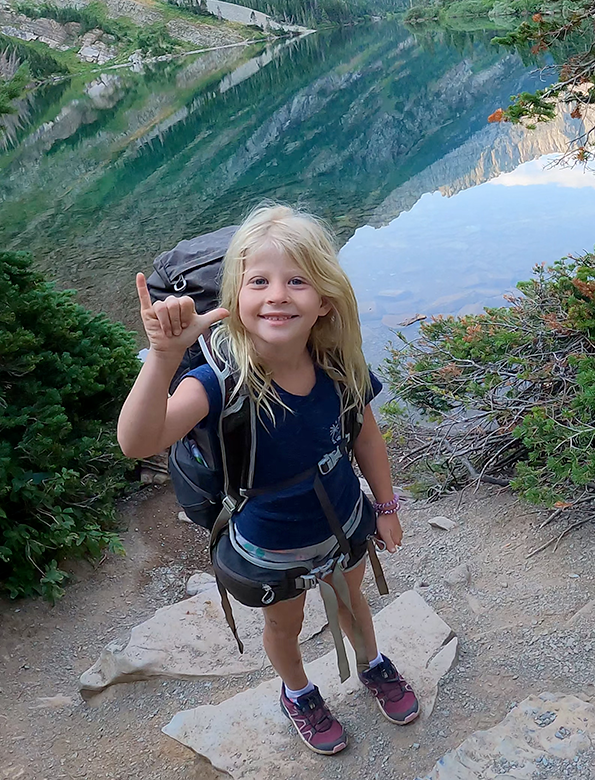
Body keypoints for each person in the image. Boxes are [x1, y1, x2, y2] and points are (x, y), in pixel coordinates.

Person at [117, 204, 419, 756]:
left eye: (296, 281)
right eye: (260, 281)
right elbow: (139, 442)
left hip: (345, 519)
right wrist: (163, 358)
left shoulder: (339, 366)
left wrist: (386, 505)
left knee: (353, 596)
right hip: (269, 542)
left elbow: (365, 438)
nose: (277, 295)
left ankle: (372, 663)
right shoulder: (215, 383)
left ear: (324, 299)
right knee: (285, 622)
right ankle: (298, 691)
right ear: (235, 298)